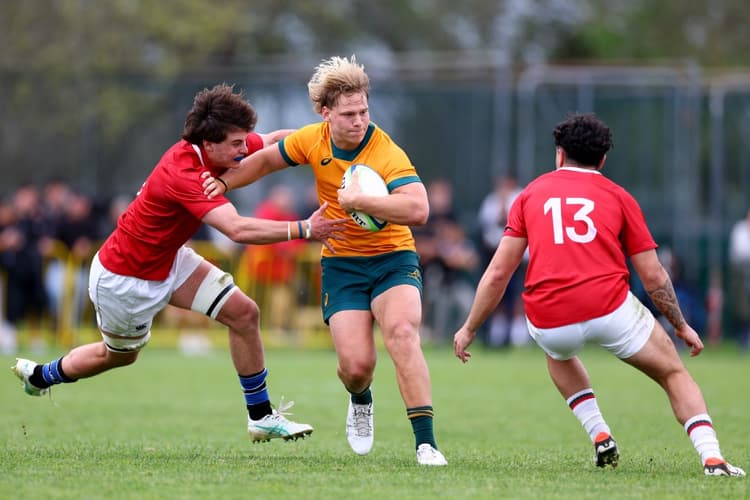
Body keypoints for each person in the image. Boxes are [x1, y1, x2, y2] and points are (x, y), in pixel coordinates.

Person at [11, 83, 347, 444]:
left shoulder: (219, 147)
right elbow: (236, 228)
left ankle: (261, 416)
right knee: (119, 356)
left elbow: (275, 141)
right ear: (208, 143)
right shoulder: (184, 172)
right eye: (236, 145)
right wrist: (308, 227)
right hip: (125, 280)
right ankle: (43, 376)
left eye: (241, 142)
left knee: (244, 313)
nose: (242, 151)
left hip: (169, 259)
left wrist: (329, 136)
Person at [453, 113, 745, 477]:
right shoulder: (619, 197)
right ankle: (712, 458)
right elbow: (653, 274)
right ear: (603, 160)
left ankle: (599, 432)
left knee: (557, 351)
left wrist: (469, 327)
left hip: (550, 316)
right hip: (609, 308)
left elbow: (499, 272)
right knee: (673, 372)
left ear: (559, 154)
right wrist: (681, 326)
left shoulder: (530, 194)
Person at [203, 56, 447, 466]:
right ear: (325, 112)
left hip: (393, 258)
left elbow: (419, 209)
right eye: (349, 114)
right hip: (342, 265)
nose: (359, 121)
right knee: (355, 367)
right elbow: (265, 160)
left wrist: (361, 201)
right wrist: (224, 182)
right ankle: (361, 399)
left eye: (364, 111)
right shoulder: (312, 140)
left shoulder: (385, 151)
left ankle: (426, 443)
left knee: (403, 335)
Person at [729, 208, 750, 350]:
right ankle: (743, 341)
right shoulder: (739, 230)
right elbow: (740, 253)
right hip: (742, 275)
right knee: (742, 310)